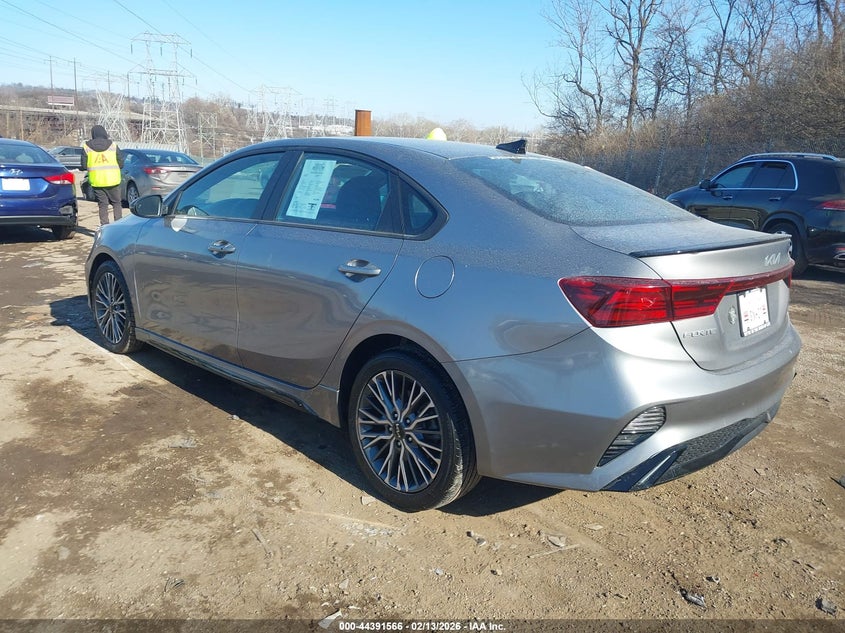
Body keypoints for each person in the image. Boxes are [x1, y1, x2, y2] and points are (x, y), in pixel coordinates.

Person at [81, 125, 125, 226]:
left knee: (103, 205)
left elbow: (83, 165)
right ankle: (118, 226)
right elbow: (121, 163)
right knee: (116, 203)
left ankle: (104, 226)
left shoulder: (86, 146)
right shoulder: (113, 145)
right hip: (113, 180)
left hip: (97, 181)